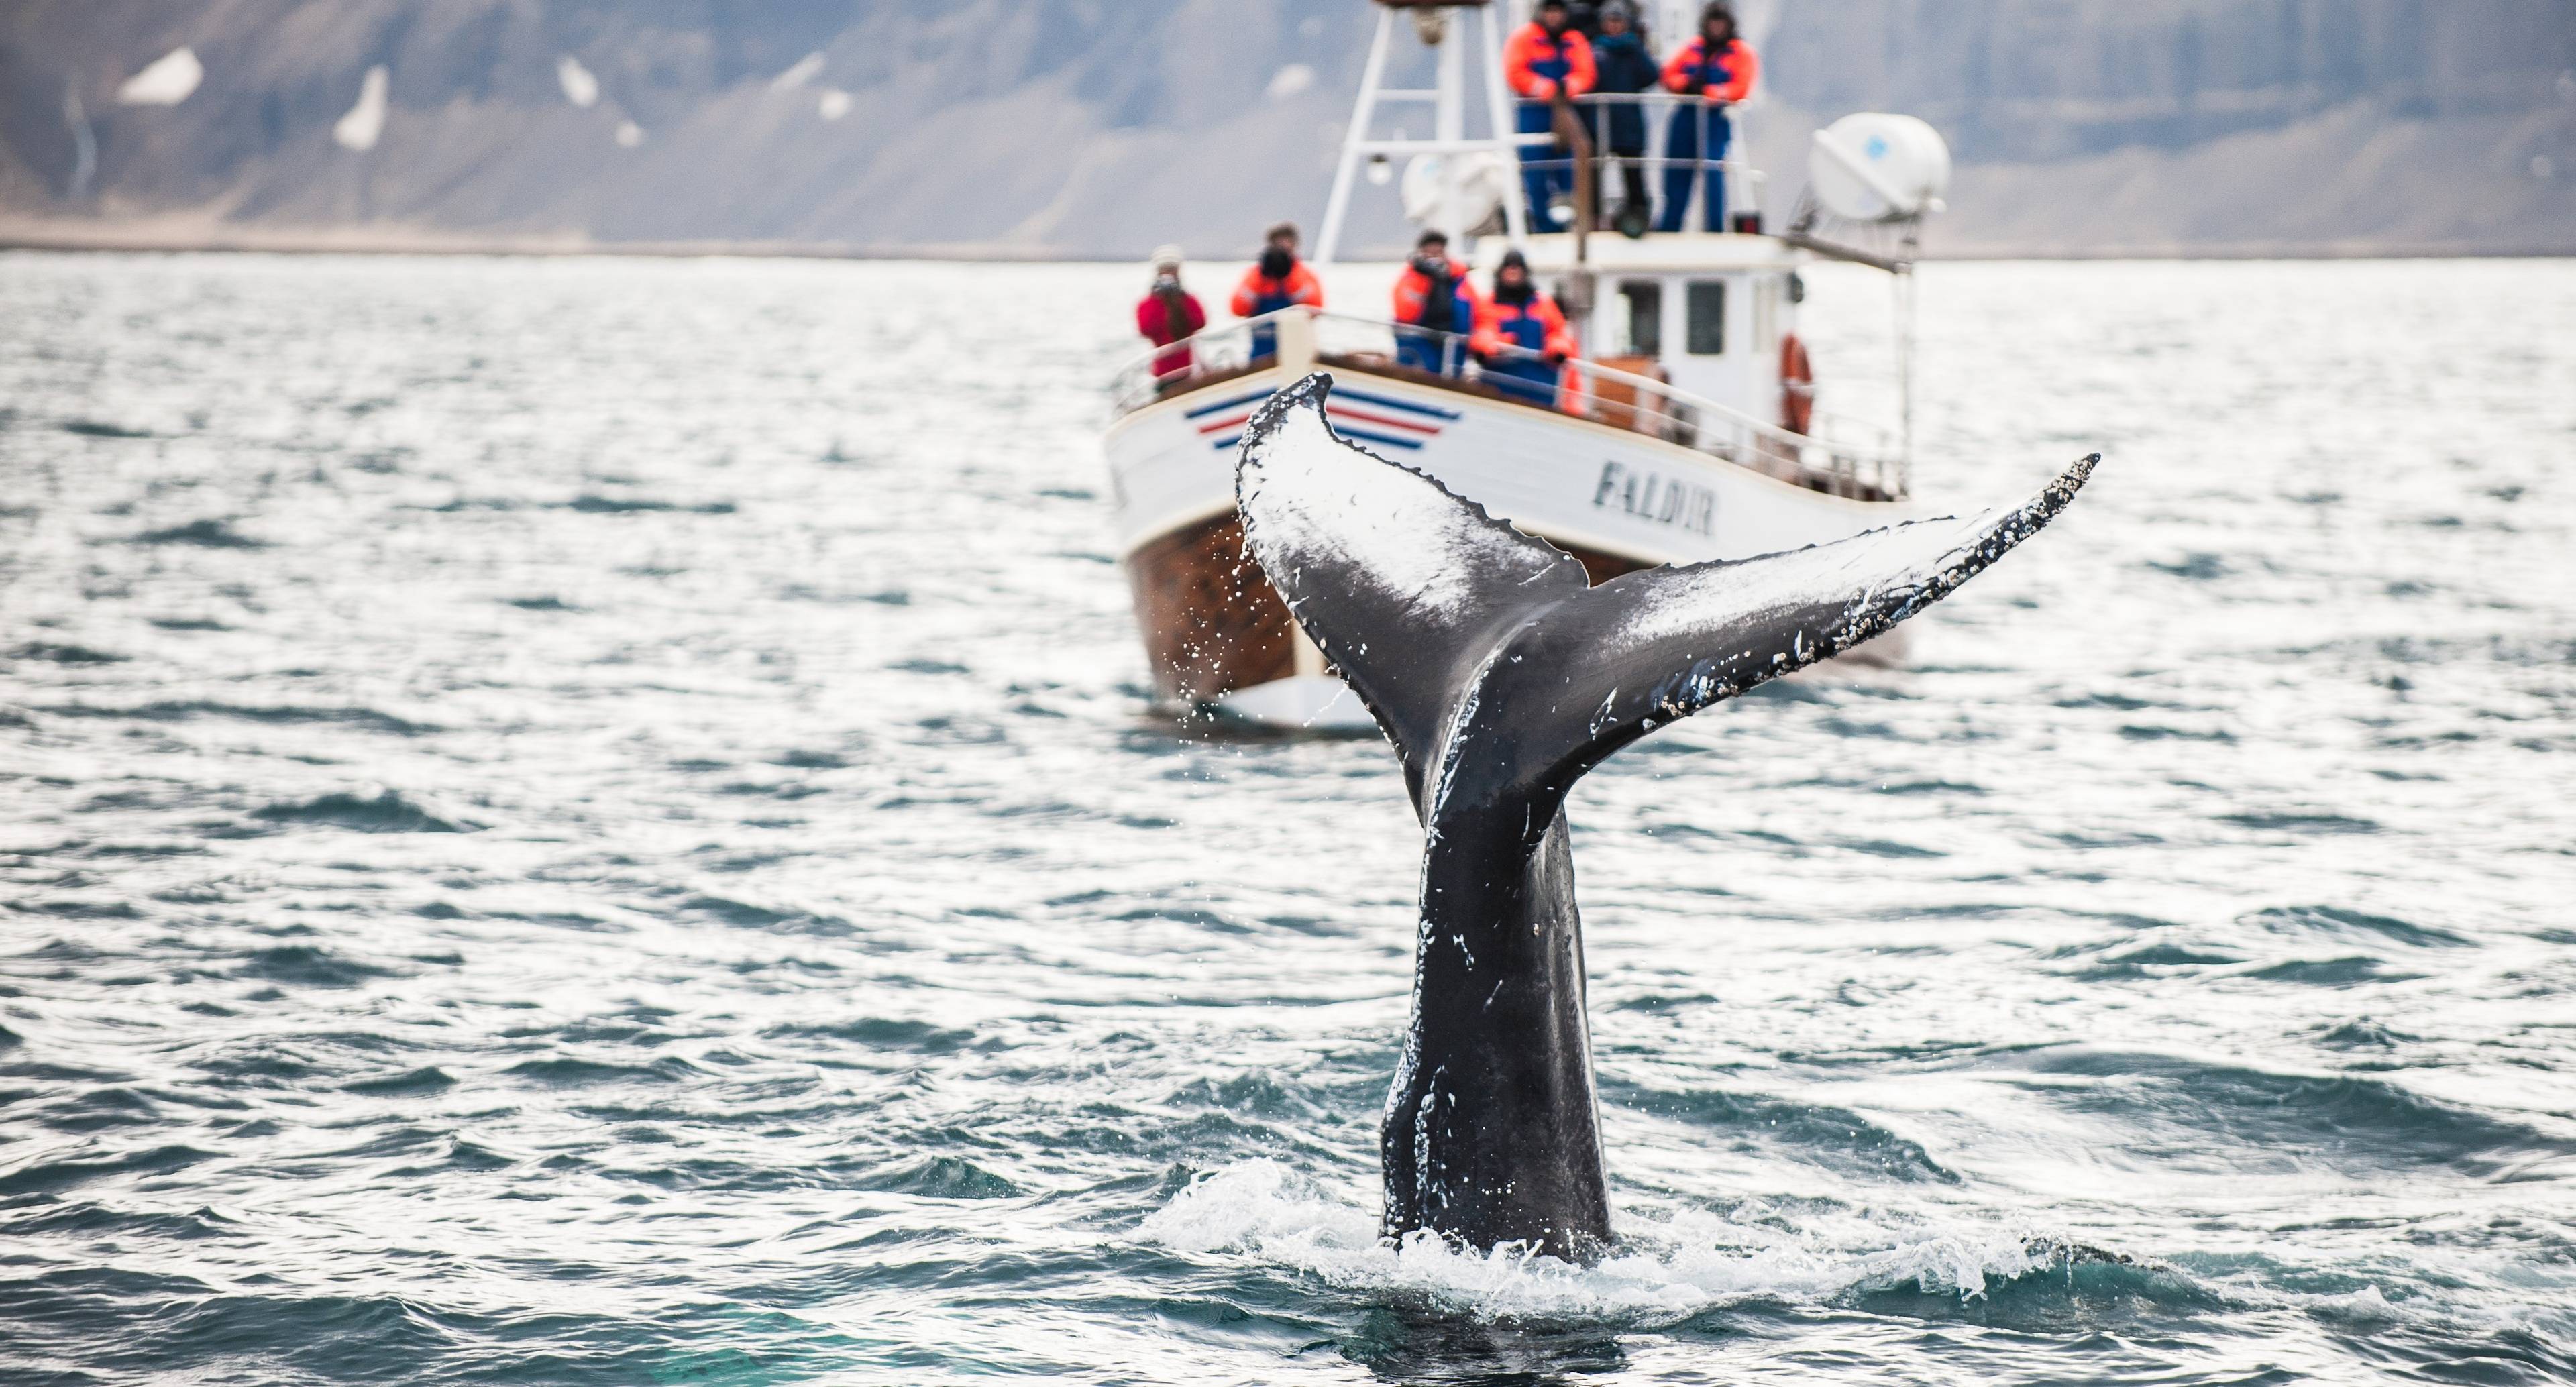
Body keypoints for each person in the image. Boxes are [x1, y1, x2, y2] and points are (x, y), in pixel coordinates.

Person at [1656, 2, 1760, 233]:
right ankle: (1669, 227)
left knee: (1713, 171)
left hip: (1715, 118)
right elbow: (1668, 74)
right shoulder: (1694, 48)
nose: (1716, 27)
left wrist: (1709, 93)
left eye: (1720, 22)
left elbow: (1740, 87)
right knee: (1676, 172)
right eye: (1712, 21)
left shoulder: (1740, 52)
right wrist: (1684, 85)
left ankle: (1714, 228)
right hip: (1685, 117)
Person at [1501, 0, 1595, 231]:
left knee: (1568, 171)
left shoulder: (1574, 40)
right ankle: (1541, 223)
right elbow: (1515, 72)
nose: (1554, 17)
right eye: (1549, 11)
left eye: (1558, 12)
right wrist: (1546, 89)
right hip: (1534, 113)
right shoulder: (1524, 38)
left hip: (1567, 114)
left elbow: (1586, 72)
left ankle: (1566, 222)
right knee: (1535, 170)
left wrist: (1569, 87)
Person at [1471, 249, 1578, 410]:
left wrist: (1558, 349)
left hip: (1541, 387)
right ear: (1501, 272)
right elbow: (1484, 329)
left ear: (1525, 273)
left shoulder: (1543, 303)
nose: (1513, 271)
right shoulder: (1488, 302)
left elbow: (1557, 332)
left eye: (1517, 267)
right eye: (1509, 267)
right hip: (1499, 386)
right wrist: (1498, 344)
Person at [1587, 1, 1658, 233]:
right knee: (1595, 170)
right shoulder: (1595, 51)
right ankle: (1594, 215)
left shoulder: (1633, 50)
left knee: (1633, 170)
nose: (1615, 26)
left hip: (1628, 122)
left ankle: (1639, 212)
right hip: (1600, 121)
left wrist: (1637, 47)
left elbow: (1651, 75)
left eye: (1619, 21)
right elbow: (1587, 79)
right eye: (1611, 21)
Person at [1230, 221, 1323, 362]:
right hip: (1261, 354)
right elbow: (1237, 309)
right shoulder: (1255, 275)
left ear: (1294, 246)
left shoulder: (1304, 275)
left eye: (1287, 244)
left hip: (1298, 351)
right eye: (1278, 244)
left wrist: (1289, 278)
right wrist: (1261, 277)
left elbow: (1315, 308)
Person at [1391, 230, 1479, 376]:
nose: (1434, 257)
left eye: (1438, 251)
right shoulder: (1411, 278)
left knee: (1451, 376)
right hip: (1419, 342)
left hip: (1454, 345)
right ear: (1422, 253)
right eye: (1429, 252)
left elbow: (1477, 311)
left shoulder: (1459, 279)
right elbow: (1405, 312)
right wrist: (1426, 277)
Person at [1135, 245, 1205, 392]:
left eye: (1172, 270)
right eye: (1164, 270)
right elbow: (1145, 328)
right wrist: (1160, 300)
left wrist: (1178, 302)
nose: (1168, 275)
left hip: (1191, 371)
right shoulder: (1149, 303)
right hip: (1164, 375)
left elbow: (1201, 322)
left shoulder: (1188, 300)